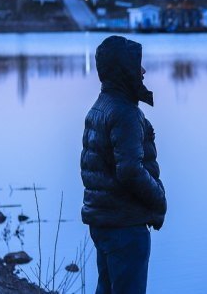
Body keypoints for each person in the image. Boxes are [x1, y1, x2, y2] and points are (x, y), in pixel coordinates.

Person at [80, 35, 167, 294]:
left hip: (104, 220)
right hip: (124, 225)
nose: (142, 71)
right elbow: (129, 170)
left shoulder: (100, 107)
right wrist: (159, 200)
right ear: (123, 70)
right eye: (136, 64)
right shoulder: (124, 113)